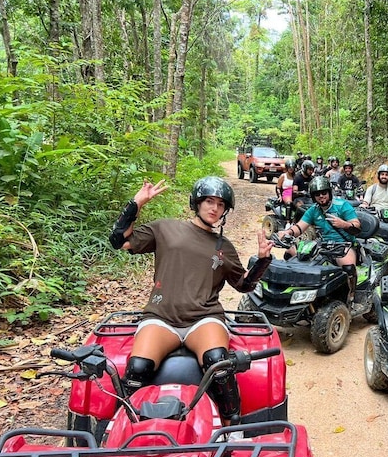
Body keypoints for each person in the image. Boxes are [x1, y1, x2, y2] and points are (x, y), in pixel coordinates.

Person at [108, 176, 274, 422]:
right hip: (161, 317)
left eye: (220, 204)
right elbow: (119, 241)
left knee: (218, 364)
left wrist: (262, 259)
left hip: (204, 319)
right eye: (209, 201)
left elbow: (244, 285)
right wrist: (137, 203)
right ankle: (122, 428)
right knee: (138, 368)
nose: (214, 208)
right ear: (197, 203)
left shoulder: (223, 247)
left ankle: (231, 428)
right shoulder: (166, 228)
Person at [276, 176, 361, 304]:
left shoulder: (343, 205)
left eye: (324, 193)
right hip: (322, 245)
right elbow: (300, 227)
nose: (321, 196)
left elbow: (357, 226)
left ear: (329, 192)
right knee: (290, 253)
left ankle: (351, 296)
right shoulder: (313, 210)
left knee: (348, 267)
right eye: (317, 194)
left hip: (344, 245)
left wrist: (344, 224)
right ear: (313, 196)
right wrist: (287, 232)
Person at [276, 160, 296, 226]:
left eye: (292, 167)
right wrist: (279, 196)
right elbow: (278, 187)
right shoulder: (283, 176)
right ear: (287, 168)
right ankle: (288, 222)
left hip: (295, 193)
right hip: (286, 193)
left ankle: (295, 221)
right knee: (289, 203)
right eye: (289, 167)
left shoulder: (296, 176)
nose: (291, 169)